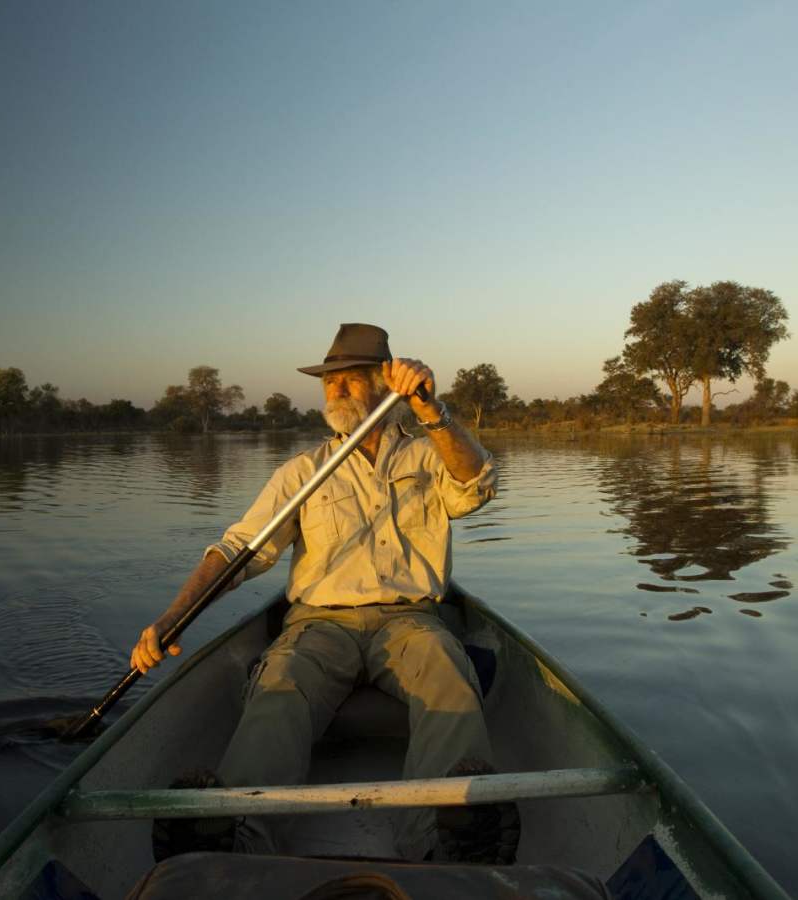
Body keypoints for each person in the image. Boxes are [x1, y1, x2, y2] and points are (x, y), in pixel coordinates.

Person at [130, 323, 516, 864]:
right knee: (281, 686)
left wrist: (434, 410)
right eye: (329, 383)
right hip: (318, 624)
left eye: (349, 381)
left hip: (411, 621)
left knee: (449, 676)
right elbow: (239, 550)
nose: (334, 392)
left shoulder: (430, 456)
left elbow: (477, 486)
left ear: (386, 385)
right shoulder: (303, 472)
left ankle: (443, 836)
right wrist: (172, 616)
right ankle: (237, 837)